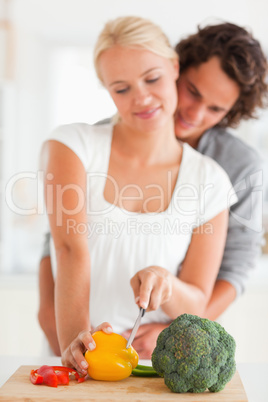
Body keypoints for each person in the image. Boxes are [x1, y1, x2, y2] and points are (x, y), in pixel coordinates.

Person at [40, 15, 237, 372]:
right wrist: (76, 346)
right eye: (121, 88)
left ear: (175, 67)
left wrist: (168, 284)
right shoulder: (72, 146)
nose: (142, 97)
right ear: (107, 90)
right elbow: (69, 250)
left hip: (152, 373)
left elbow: (196, 302)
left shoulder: (211, 180)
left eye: (152, 78)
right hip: (76, 365)